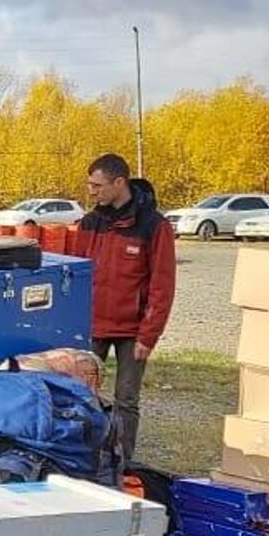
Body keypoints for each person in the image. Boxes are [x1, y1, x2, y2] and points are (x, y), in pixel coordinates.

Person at [75, 153, 176, 464]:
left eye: (98, 185)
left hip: (133, 332)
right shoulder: (91, 222)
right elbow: (77, 274)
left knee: (126, 401)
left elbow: (163, 284)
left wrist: (149, 335)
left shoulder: (154, 226)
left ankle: (122, 463)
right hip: (92, 327)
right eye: (90, 184)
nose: (92, 191)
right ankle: (81, 458)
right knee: (79, 395)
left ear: (119, 183)